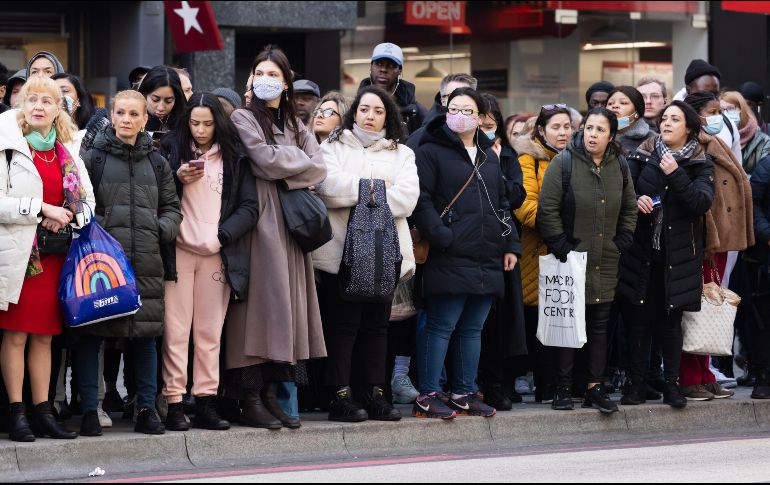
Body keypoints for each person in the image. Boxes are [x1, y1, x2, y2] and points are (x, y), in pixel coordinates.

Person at [226, 45, 327, 430]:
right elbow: (263, 161)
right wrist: (295, 162)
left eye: (273, 74)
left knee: (286, 307)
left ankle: (271, 393)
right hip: (259, 219)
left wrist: (284, 160)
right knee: (258, 308)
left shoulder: (296, 124)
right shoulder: (242, 116)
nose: (265, 80)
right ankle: (249, 396)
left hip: (292, 224)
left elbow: (319, 168)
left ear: (286, 83)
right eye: (259, 73)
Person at [77, 89, 182, 437]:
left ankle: (146, 409)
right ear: (112, 115)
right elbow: (80, 204)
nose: (126, 119)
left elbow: (172, 208)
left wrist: (158, 229)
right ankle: (89, 410)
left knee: (145, 335)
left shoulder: (157, 162)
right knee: (93, 333)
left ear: (144, 119)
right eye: (120, 112)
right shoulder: (92, 158)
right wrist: (101, 233)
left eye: (134, 114)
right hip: (101, 263)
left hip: (147, 260)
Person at [412, 87, 520, 420]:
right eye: (454, 109)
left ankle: (464, 391)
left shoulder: (490, 155)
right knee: (441, 325)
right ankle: (428, 393)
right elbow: (421, 200)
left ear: (480, 117)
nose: (460, 115)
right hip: (449, 252)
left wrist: (511, 245)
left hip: (487, 253)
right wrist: (441, 236)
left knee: (473, 327)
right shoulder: (430, 151)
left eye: (468, 110)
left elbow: (502, 203)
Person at [313, 85, 419, 422]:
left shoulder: (403, 153)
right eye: (364, 109)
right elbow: (328, 188)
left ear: (388, 117)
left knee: (377, 327)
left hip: (385, 255)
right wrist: (377, 188)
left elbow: (407, 199)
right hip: (340, 253)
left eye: (378, 111)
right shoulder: (331, 147)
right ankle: (340, 395)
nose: (370, 116)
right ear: (353, 113)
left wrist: (357, 189)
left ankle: (375, 393)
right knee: (343, 326)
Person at [0, 75, 95, 441]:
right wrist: (42, 209)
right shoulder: (9, 146)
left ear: (59, 108)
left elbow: (87, 200)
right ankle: (16, 412)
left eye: (47, 100)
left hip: (56, 257)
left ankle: (43, 412)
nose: (38, 106)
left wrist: (74, 215)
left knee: (44, 337)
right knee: (16, 335)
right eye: (31, 99)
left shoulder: (67, 149)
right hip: (21, 258)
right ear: (21, 104)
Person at [159, 93, 259, 432]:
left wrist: (223, 237)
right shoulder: (171, 150)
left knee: (209, 333)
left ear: (219, 123)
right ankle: (174, 402)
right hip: (177, 252)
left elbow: (250, 208)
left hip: (217, 252)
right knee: (175, 332)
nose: (200, 130)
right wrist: (176, 177)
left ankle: (205, 401)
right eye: (194, 123)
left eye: (207, 123)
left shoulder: (235, 157)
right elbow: (154, 195)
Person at [537, 107, 637, 413]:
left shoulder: (620, 164)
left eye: (600, 130)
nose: (593, 135)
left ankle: (594, 386)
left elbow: (630, 207)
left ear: (611, 135)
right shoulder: (564, 162)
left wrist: (622, 240)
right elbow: (547, 209)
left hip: (606, 257)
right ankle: (563, 388)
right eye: (589, 128)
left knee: (599, 324)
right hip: (570, 258)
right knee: (568, 321)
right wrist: (561, 245)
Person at [619, 101, 715, 409]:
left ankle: (672, 385)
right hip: (643, 251)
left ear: (689, 128)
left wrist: (675, 174)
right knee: (639, 321)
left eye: (675, 119)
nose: (667, 123)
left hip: (679, 255)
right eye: (664, 119)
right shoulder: (642, 154)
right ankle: (636, 385)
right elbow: (625, 191)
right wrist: (637, 199)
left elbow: (700, 203)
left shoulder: (700, 162)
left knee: (671, 322)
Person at [676, 91, 751, 401]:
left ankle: (704, 374)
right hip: (703, 238)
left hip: (719, 237)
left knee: (711, 303)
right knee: (696, 307)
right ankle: (689, 377)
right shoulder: (693, 146)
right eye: (713, 111)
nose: (719, 117)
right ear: (696, 116)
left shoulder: (715, 141)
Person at [513, 104, 572, 403]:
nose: (563, 133)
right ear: (541, 130)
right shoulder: (528, 160)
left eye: (567, 127)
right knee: (538, 319)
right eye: (556, 127)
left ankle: (561, 384)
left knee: (563, 318)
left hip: (570, 251)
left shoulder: (577, 159)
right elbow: (525, 206)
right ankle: (543, 384)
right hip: (536, 251)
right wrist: (562, 225)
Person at [477, 92, 528, 410]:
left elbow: (515, 197)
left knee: (500, 322)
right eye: (479, 124)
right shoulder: (458, 154)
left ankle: (497, 384)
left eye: (490, 125)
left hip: (502, 247)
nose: (485, 131)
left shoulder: (506, 154)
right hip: (468, 246)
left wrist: (496, 164)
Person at [674, 59, 742, 162]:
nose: (712, 98)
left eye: (715, 94)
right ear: (688, 90)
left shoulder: (728, 124)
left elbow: (737, 166)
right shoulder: (671, 121)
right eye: (705, 93)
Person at [359, 43, 426, 136]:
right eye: (379, 64)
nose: (383, 69)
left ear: (400, 71)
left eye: (391, 66)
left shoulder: (415, 112)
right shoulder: (356, 105)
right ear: (371, 66)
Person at [747, 153, 770, 399]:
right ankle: (763, 376)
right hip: (766, 258)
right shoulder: (767, 164)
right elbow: (753, 203)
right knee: (765, 321)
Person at [406, 73, 478, 151]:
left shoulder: (479, 135)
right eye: (453, 95)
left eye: (467, 96)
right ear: (443, 100)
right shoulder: (422, 137)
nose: (460, 100)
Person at [720, 90, 770, 175]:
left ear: (742, 110)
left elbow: (762, 176)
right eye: (721, 110)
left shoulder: (763, 141)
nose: (725, 113)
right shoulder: (715, 138)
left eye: (731, 108)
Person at [137, 66, 186, 136]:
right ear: (144, 96)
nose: (161, 108)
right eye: (155, 100)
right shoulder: (131, 120)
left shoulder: (185, 121)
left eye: (168, 101)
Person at [606, 86, 655, 155]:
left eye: (623, 103)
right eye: (610, 103)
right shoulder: (595, 135)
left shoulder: (654, 140)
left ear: (637, 111)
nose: (615, 106)